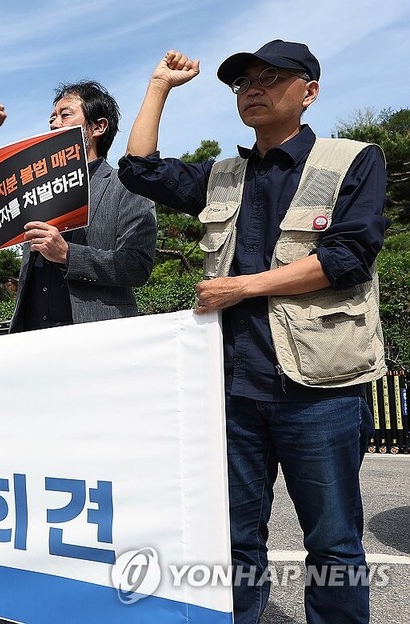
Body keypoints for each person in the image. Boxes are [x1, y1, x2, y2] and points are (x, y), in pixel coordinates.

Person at [118, 41, 388, 624]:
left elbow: (348, 258)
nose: (252, 89)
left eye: (270, 78)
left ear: (309, 92)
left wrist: (241, 287)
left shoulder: (352, 160)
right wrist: (159, 86)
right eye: (242, 83)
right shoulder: (222, 175)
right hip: (234, 391)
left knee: (334, 543)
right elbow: (138, 170)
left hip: (318, 389)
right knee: (235, 539)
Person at [0, 82, 156, 332]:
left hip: (94, 339)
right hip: (30, 337)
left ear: (98, 126)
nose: (54, 123)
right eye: (52, 118)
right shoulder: (33, 187)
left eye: (65, 115)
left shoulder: (125, 186)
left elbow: (137, 266)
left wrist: (68, 254)